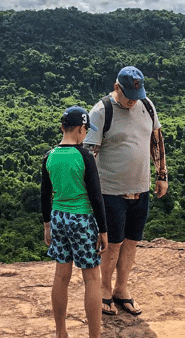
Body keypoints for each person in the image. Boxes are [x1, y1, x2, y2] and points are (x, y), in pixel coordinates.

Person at [84, 66, 168, 316]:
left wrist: (162, 175)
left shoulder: (147, 105)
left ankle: (122, 289)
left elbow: (157, 139)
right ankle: (105, 291)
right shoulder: (101, 112)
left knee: (131, 242)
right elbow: (89, 154)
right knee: (112, 245)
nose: (133, 99)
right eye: (129, 94)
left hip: (140, 189)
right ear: (116, 87)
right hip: (110, 192)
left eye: (137, 93)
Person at [41, 105, 109, 338]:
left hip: (58, 217)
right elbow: (96, 196)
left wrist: (47, 224)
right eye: (85, 130)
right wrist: (103, 230)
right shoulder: (84, 156)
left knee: (61, 275)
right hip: (82, 220)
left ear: (62, 127)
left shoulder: (49, 156)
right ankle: (94, 336)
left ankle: (61, 332)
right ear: (81, 129)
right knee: (91, 277)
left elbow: (44, 194)